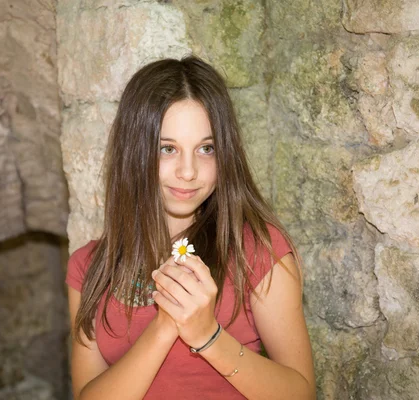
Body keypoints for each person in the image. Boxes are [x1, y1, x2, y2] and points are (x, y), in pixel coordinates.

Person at [66, 56, 315, 399]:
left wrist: (208, 336)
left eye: (206, 149)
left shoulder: (258, 250)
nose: (188, 171)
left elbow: (301, 394)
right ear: (134, 152)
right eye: (167, 149)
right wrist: (164, 327)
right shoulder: (90, 266)